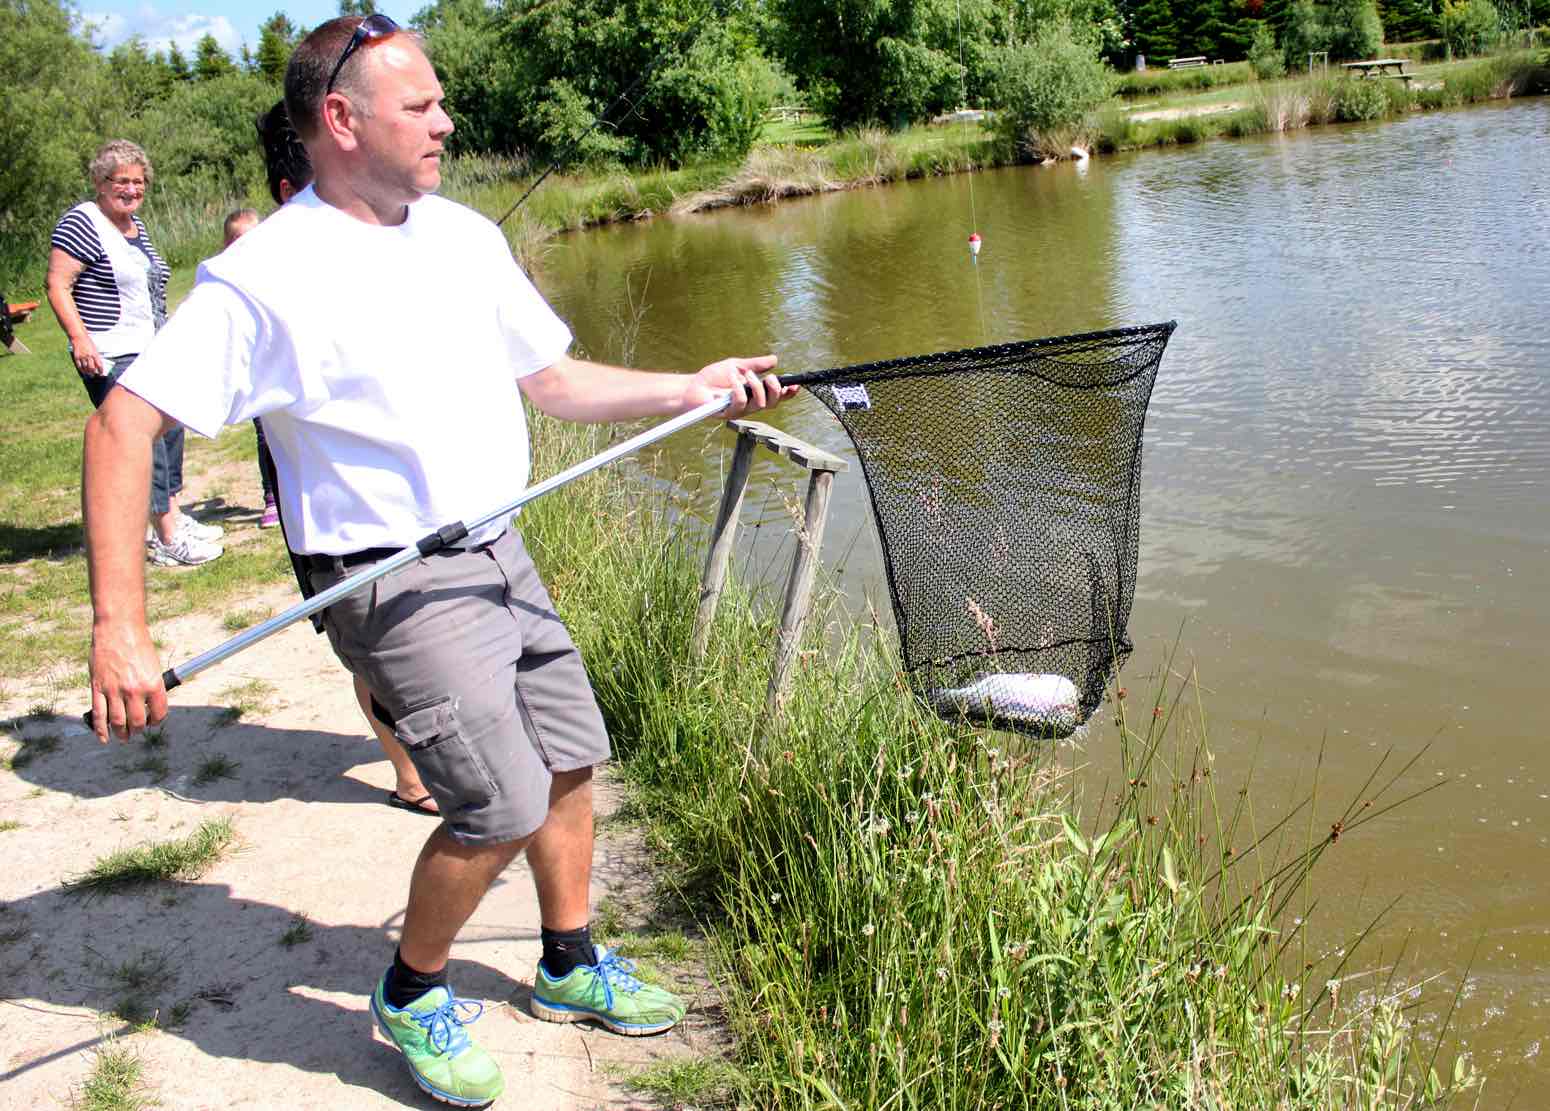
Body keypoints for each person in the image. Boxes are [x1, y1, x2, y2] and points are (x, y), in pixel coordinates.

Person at [82, 16, 795, 1107]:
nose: (445, 122)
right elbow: (123, 424)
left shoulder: (461, 234)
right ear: (340, 120)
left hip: (497, 536)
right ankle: (411, 991)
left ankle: (566, 965)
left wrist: (692, 387)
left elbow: (553, 381)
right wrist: (118, 627)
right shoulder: (263, 274)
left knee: (566, 756)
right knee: (497, 800)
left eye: (439, 102)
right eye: (419, 106)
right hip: (389, 571)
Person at [231, 119, 443, 820]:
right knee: (371, 653)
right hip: (335, 528)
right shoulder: (263, 272)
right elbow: (128, 422)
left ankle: (433, 755)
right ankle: (409, 774)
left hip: (420, 513)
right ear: (297, 190)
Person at [46, 139, 224, 567]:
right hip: (111, 349)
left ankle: (174, 514)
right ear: (99, 182)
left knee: (171, 427)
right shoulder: (82, 222)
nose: (131, 189)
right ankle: (165, 538)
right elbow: (57, 285)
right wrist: (80, 339)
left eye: (138, 182)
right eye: (121, 181)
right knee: (145, 440)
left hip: (150, 347)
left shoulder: (134, 225)